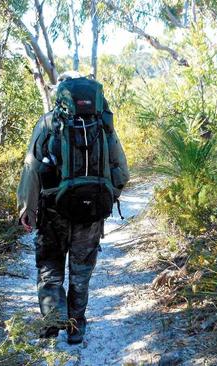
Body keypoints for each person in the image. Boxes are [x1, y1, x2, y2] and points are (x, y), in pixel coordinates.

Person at [17, 71, 129, 345]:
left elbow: (31, 169)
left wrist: (26, 209)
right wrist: (104, 198)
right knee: (81, 272)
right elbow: (122, 172)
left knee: (50, 267)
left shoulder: (47, 123)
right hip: (90, 214)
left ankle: (53, 321)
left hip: (53, 209)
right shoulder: (103, 125)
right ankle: (76, 327)